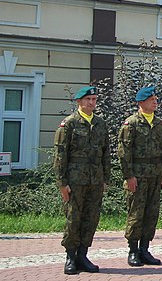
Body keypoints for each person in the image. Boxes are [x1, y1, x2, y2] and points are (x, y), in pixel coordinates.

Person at [54, 86, 111, 275]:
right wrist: (62, 183)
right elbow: (60, 155)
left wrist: (105, 178)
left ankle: (83, 255)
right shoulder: (69, 124)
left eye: (94, 99)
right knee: (74, 218)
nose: (92, 103)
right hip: (75, 179)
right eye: (88, 99)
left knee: (91, 218)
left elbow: (106, 154)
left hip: (95, 179)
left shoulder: (101, 124)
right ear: (79, 102)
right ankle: (70, 257)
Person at [118, 85, 162, 267]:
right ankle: (133, 250)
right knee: (136, 213)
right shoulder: (131, 123)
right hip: (137, 175)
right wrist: (129, 176)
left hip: (155, 175)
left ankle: (145, 249)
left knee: (151, 214)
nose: (155, 101)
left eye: (156, 99)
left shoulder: (160, 124)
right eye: (151, 99)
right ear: (141, 102)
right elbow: (124, 152)